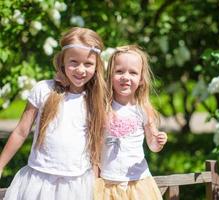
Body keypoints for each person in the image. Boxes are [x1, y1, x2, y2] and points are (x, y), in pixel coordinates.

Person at [0, 27, 107, 200]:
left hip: (77, 184)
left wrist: (96, 180)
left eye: (88, 64)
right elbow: (21, 131)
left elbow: (96, 142)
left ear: (96, 66)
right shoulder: (44, 90)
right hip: (39, 181)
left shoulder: (95, 99)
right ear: (62, 61)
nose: (81, 70)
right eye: (74, 62)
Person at [93, 45, 168, 200]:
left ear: (141, 79)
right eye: (119, 71)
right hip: (109, 182)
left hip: (138, 182)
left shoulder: (143, 109)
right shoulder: (103, 107)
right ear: (110, 75)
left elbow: (152, 145)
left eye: (133, 73)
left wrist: (158, 141)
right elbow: (96, 145)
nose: (125, 77)